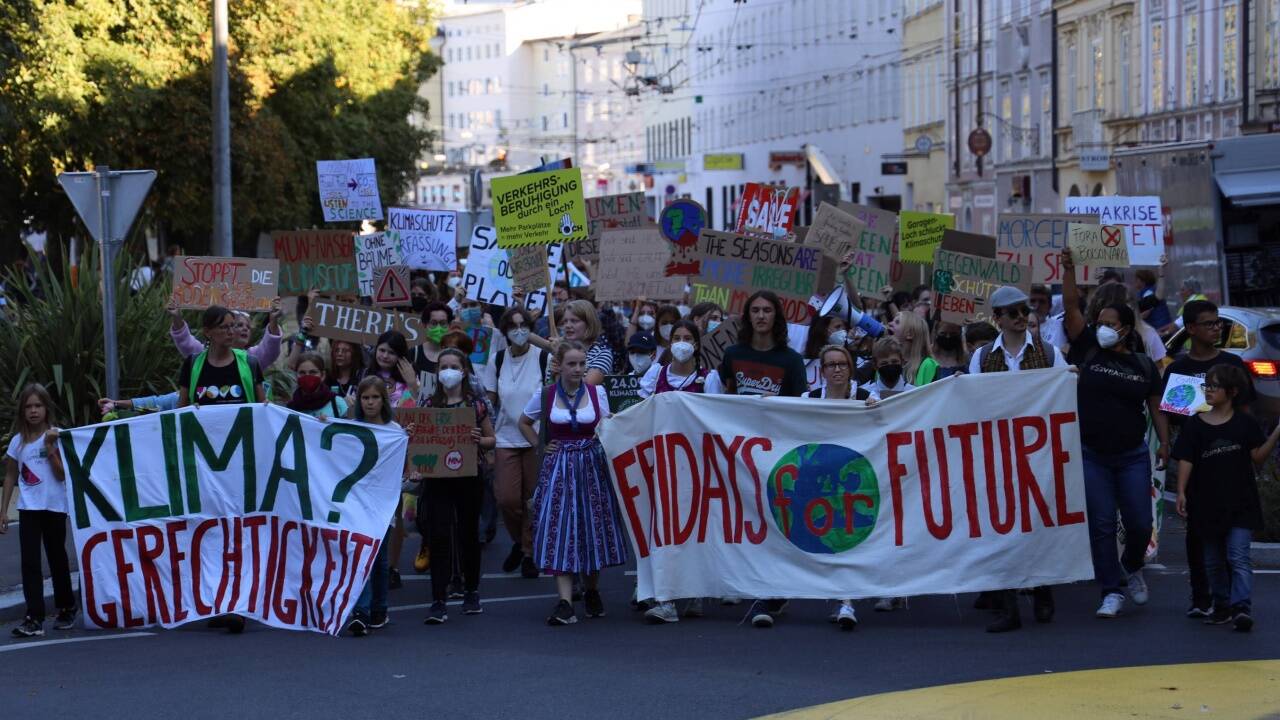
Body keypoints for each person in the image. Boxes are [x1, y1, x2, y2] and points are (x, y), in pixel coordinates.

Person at [1062, 248, 1169, 619]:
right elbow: (1072, 307)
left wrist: (1165, 444)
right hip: (1093, 455)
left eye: (1110, 323)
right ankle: (1111, 590)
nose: (1102, 327)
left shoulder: (1142, 365)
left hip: (1132, 456)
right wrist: (1069, 270)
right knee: (1103, 524)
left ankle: (1132, 565)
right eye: (1099, 322)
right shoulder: (1089, 350)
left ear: (1125, 328)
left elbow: (1156, 406)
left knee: (1140, 524)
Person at [967, 285, 1064, 632]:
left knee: (1038, 524)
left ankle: (1042, 588)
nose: (1022, 317)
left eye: (1025, 311)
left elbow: (1062, 398)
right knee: (1002, 528)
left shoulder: (1050, 353)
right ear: (998, 318)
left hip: (1038, 455)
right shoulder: (981, 358)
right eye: (1014, 313)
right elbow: (972, 404)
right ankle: (1008, 606)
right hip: (997, 455)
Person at [518, 341, 629, 625]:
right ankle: (565, 602)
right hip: (558, 468)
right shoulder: (546, 394)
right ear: (559, 365)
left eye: (582, 364)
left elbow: (607, 425)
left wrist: (606, 433)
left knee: (591, 528)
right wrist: (541, 446)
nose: (578, 369)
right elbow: (523, 422)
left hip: (591, 467)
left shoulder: (596, 393)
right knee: (560, 529)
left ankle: (591, 590)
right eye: (572, 364)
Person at [1162, 299, 1254, 617]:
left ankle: (1230, 599)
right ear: (1190, 329)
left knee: (1231, 532)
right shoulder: (1177, 368)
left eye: (1218, 323)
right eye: (1209, 323)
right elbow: (1167, 414)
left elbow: (1245, 411)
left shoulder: (1231, 363)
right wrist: (1166, 446)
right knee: (1198, 532)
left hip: (1229, 461)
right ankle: (1201, 597)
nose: (1216, 328)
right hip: (1195, 462)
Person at [177, 305, 266, 634]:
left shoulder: (249, 364)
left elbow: (264, 410)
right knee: (210, 534)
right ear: (208, 332)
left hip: (241, 465)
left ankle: (238, 604)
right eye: (225, 327)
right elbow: (180, 413)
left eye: (233, 326)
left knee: (239, 534)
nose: (232, 332)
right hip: (205, 468)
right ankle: (218, 600)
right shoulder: (193, 365)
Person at [1175, 364, 1280, 632]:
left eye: (1215, 386)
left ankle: (1241, 607)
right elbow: (1186, 458)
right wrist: (1181, 491)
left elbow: (1258, 457)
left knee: (1238, 556)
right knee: (1212, 560)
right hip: (1205, 502)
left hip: (1240, 501)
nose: (1208, 390)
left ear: (1232, 392)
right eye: (1207, 385)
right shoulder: (1195, 424)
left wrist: (1276, 431)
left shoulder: (1245, 423)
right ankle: (1221, 605)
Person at [637, 320, 722, 623]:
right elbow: (638, 412)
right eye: (677, 337)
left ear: (697, 344)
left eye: (688, 337)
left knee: (695, 528)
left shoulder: (708, 379)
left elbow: (716, 418)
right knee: (664, 529)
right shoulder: (656, 375)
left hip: (695, 463)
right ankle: (667, 599)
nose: (682, 342)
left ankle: (695, 591)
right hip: (661, 462)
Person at [421, 349, 496, 624]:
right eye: (444, 366)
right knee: (439, 536)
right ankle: (438, 598)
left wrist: (478, 439)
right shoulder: (429, 405)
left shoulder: (476, 404)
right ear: (437, 371)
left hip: (469, 476)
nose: (448, 371)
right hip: (437, 480)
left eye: (454, 366)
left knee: (468, 535)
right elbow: (418, 441)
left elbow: (492, 439)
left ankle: (471, 591)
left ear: (464, 371)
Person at [802, 345, 873, 630]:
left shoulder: (866, 397)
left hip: (855, 480)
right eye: (831, 365)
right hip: (821, 481)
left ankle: (847, 601)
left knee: (848, 538)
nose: (837, 369)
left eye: (842, 364)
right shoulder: (808, 399)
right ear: (822, 370)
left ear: (850, 367)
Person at [2, 384, 76, 637]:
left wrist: (51, 449)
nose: (33, 411)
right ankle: (34, 617)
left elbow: (63, 474)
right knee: (30, 562)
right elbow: (10, 476)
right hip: (28, 508)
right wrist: (3, 511)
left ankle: (67, 607)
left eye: (38, 406)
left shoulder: (57, 435)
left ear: (46, 408)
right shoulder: (17, 442)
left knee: (57, 558)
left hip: (54, 506)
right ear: (22, 411)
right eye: (28, 407)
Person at [488, 308, 549, 580]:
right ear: (505, 331)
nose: (519, 330)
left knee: (532, 500)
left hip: (535, 437)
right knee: (507, 499)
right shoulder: (498, 360)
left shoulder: (544, 358)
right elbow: (489, 401)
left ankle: (528, 552)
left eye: (524, 324)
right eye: (513, 326)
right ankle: (518, 540)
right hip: (505, 437)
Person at [346, 376, 406, 636]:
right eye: (365, 398)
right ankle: (361, 611)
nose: (370, 402)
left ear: (384, 401)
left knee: (379, 560)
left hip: (383, 502)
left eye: (375, 397)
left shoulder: (395, 431)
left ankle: (379, 607)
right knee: (361, 556)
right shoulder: (351, 429)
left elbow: (403, 465)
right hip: (357, 501)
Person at [718, 290, 807, 399]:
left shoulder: (793, 360)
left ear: (776, 316)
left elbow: (800, 402)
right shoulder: (732, 354)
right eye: (755, 310)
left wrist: (777, 401)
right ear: (748, 316)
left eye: (767, 310)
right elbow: (729, 396)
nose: (761, 316)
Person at [288, 352, 349, 419]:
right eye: (302, 373)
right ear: (296, 375)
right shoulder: (290, 408)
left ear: (323, 375)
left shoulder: (337, 404)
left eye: (313, 372)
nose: (307, 376)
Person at [802, 314, 851, 391]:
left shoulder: (851, 357)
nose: (843, 332)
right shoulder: (803, 363)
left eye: (844, 327)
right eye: (837, 327)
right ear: (823, 330)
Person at [888, 312, 939, 386]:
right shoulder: (886, 362)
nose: (890, 324)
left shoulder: (928, 365)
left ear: (910, 334)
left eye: (897, 322)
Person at [860, 337, 915, 401]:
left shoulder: (914, 393)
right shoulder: (864, 394)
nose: (890, 366)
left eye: (894, 362)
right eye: (884, 363)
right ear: (875, 366)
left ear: (902, 362)